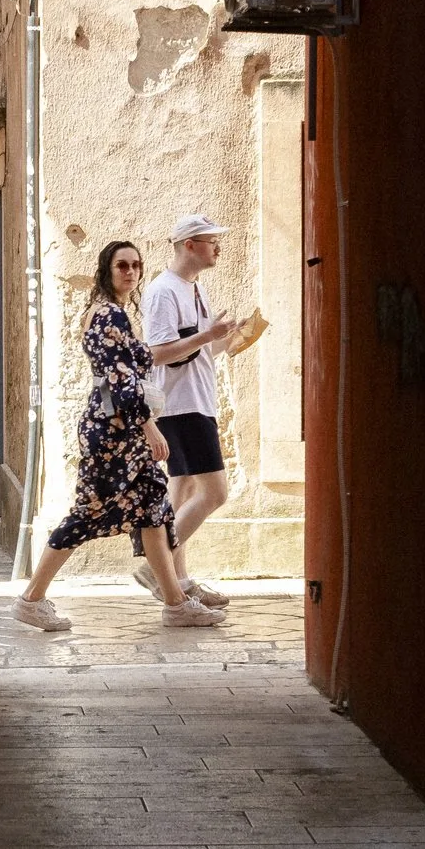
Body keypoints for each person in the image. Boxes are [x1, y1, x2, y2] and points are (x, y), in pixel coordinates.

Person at [11, 240, 226, 632]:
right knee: (87, 514)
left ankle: (176, 604)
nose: (130, 272)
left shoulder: (116, 314)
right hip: (112, 433)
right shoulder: (108, 315)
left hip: (122, 429)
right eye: (122, 265)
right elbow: (118, 379)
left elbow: (149, 358)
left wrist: (207, 337)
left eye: (136, 265)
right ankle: (31, 599)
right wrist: (149, 426)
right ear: (107, 270)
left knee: (152, 510)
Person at [136, 213, 243, 608]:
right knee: (215, 493)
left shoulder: (194, 289)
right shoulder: (163, 292)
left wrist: (226, 341)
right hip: (181, 407)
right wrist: (208, 335)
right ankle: (157, 563)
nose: (218, 247)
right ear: (189, 245)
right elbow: (158, 354)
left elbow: (197, 352)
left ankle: (179, 582)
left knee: (180, 495)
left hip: (197, 401)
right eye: (211, 240)